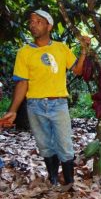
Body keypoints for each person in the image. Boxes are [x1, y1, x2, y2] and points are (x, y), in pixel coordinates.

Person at [0, 10, 90, 186]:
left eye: (38, 21)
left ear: (49, 26)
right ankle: (53, 178)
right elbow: (22, 84)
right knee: (45, 146)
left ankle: (70, 184)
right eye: (31, 21)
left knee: (65, 146)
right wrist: (13, 110)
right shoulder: (24, 52)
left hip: (58, 104)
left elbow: (77, 70)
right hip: (35, 105)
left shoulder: (61, 48)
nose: (33, 24)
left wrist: (84, 51)